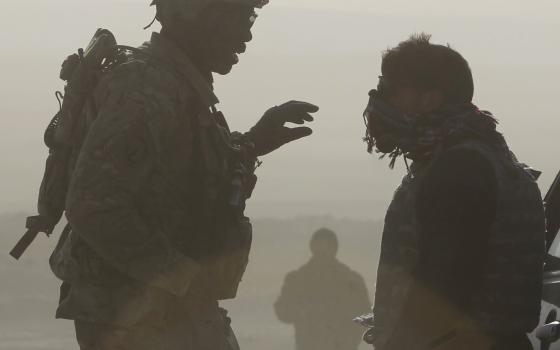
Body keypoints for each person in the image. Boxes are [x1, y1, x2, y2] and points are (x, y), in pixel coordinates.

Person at [47, 0, 318, 349]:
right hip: (137, 317)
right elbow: (92, 205)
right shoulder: (147, 89)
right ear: (198, 16)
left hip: (162, 310)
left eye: (251, 16)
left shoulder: (173, 86)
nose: (247, 33)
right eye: (239, 16)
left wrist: (250, 144)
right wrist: (184, 279)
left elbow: (175, 179)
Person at [361, 33, 545, 350]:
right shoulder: (472, 155)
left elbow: (442, 291)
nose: (379, 100)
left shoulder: (460, 168)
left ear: (429, 100)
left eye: (391, 90)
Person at [274, 228, 370, 350]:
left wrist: (350, 340)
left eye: (325, 247)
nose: (322, 251)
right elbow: (283, 311)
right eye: (319, 247)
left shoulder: (350, 280)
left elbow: (364, 316)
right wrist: (302, 312)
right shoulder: (298, 279)